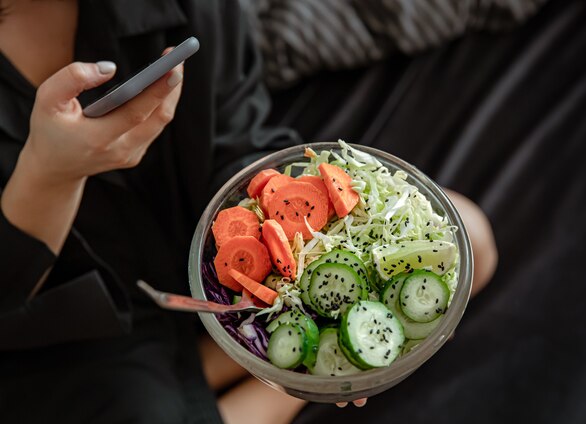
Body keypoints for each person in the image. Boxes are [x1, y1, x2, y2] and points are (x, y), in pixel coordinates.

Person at [0, 0, 497, 423]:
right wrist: (48, 174)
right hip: (69, 330)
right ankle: (230, 368)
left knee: (466, 235)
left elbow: (240, 144)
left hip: (227, 270)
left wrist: (328, 322)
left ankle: (238, 362)